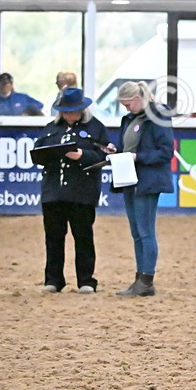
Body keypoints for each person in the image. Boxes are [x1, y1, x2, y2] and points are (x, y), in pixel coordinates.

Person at [33, 86, 114, 294]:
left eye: (73, 110)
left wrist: (81, 155)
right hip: (54, 191)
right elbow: (38, 152)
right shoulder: (51, 128)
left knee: (83, 236)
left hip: (82, 193)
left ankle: (86, 280)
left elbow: (105, 155)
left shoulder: (96, 129)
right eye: (65, 111)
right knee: (53, 238)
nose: (69, 115)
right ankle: (53, 279)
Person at [113, 81, 173, 297]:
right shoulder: (130, 119)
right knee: (137, 232)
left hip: (147, 180)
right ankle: (140, 278)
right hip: (130, 178)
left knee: (146, 231)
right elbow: (128, 146)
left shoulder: (158, 116)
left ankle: (146, 279)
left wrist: (138, 157)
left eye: (128, 104)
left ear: (138, 99)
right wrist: (117, 151)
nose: (126, 109)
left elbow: (166, 152)